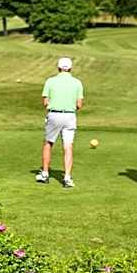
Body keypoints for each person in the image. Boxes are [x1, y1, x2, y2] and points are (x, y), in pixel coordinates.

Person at [36, 57, 84, 188]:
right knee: (68, 146)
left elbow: (45, 102)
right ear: (70, 68)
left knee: (48, 143)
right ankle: (67, 178)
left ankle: (45, 174)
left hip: (54, 114)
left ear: (58, 68)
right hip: (70, 116)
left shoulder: (50, 81)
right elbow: (79, 104)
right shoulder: (77, 82)